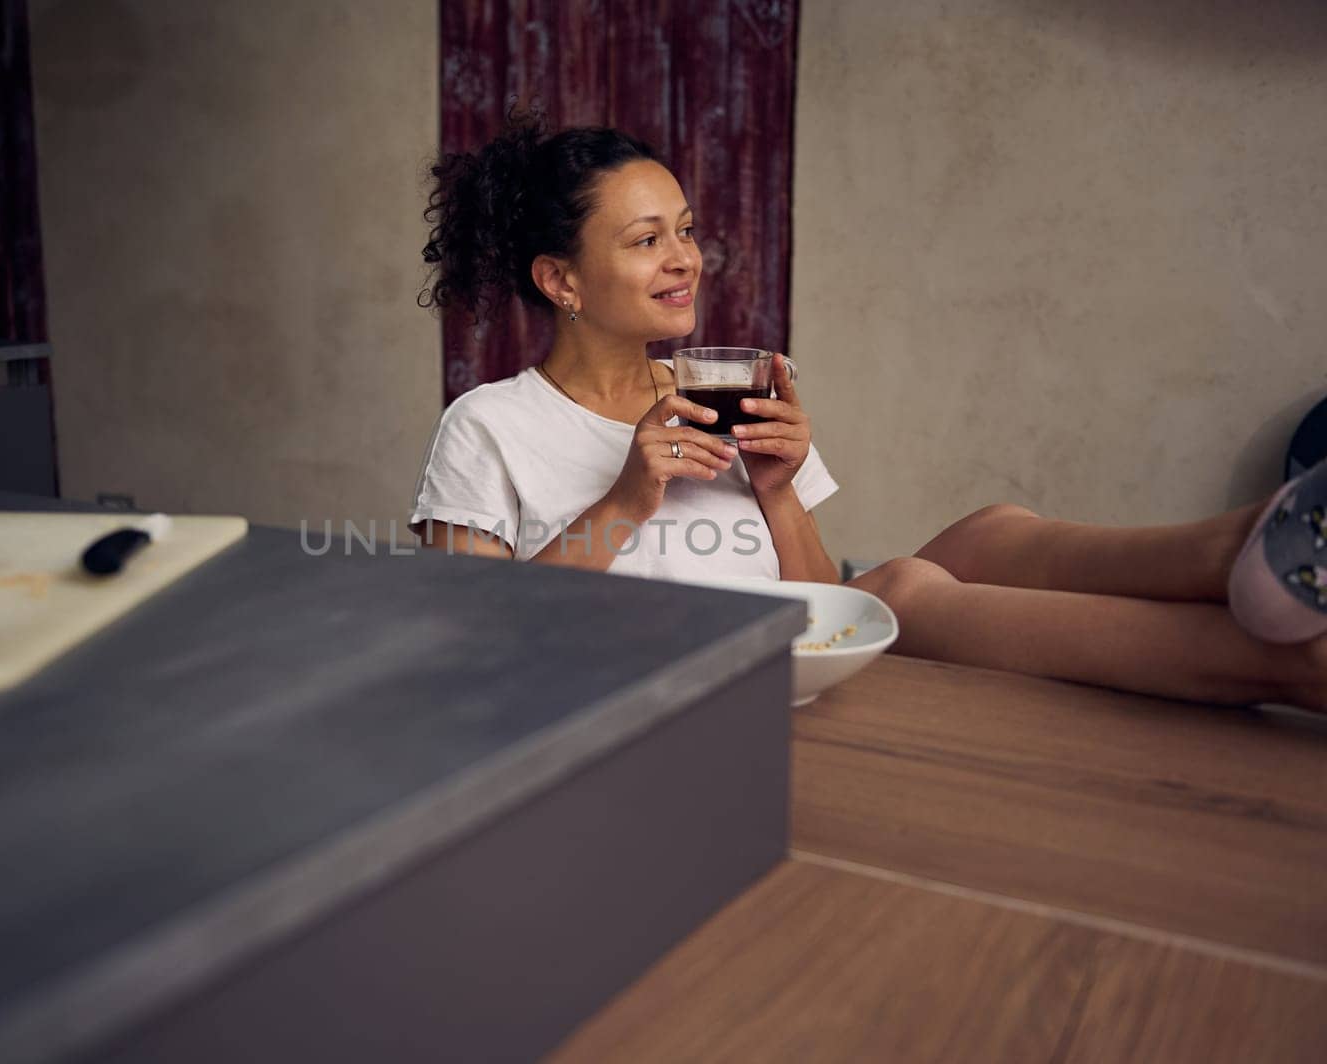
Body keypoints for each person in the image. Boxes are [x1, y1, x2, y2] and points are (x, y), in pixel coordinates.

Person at [408, 112, 1327, 711]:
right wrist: (624, 500)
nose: (685, 258)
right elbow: (478, 645)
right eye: (647, 240)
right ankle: (1290, 663)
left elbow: (816, 593)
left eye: (686, 230)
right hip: (689, 691)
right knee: (908, 588)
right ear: (560, 279)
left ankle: (1247, 545)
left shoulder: (717, 391)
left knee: (992, 532)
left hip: (800, 656)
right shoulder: (490, 427)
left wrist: (777, 490)